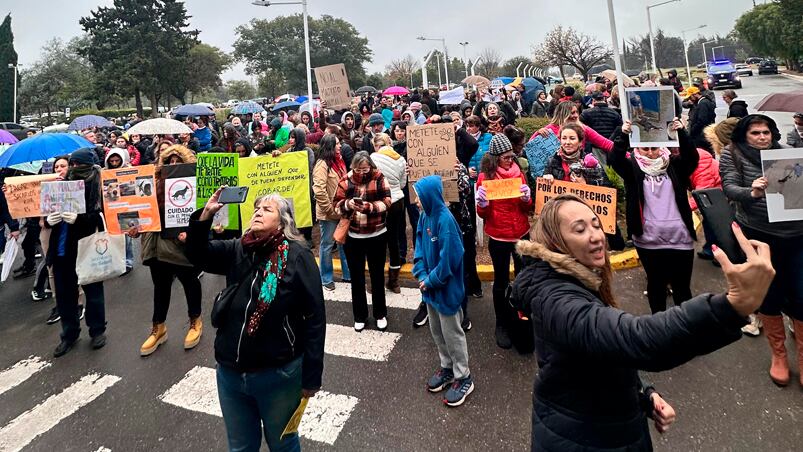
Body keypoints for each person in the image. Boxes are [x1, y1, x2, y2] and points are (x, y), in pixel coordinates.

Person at [514, 193, 775, 452]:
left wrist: (644, 393)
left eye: (596, 224)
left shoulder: (576, 279)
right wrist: (730, 307)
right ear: (555, 243)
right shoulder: (554, 300)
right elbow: (635, 338)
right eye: (580, 230)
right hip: (582, 438)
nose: (596, 236)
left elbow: (604, 351)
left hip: (610, 427)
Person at [186, 190, 325, 452]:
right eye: (257, 208)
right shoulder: (238, 248)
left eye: (268, 209)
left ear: (283, 221)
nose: (259, 212)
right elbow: (197, 254)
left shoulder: (298, 256)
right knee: (240, 446)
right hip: (230, 373)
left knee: (282, 444)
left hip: (277, 374)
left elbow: (315, 317)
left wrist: (311, 376)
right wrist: (205, 216)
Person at [719, 114, 803, 387]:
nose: (762, 137)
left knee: (801, 294)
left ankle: (802, 356)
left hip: (796, 233)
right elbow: (729, 187)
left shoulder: (788, 154)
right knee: (768, 294)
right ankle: (778, 355)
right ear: (745, 135)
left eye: (766, 132)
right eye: (756, 132)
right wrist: (751, 192)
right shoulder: (731, 154)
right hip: (759, 234)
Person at [609, 118, 699, 314]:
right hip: (648, 240)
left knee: (682, 289)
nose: (650, 153)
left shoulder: (675, 166)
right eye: (645, 149)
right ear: (637, 149)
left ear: (662, 147)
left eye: (654, 148)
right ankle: (659, 329)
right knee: (656, 285)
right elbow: (614, 160)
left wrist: (681, 133)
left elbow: (692, 158)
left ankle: (687, 329)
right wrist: (623, 135)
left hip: (680, 238)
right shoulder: (632, 168)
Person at [129, 145, 203, 356]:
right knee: (160, 287)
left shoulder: (193, 183)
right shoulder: (153, 183)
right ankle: (159, 327)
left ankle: (195, 321)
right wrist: (134, 227)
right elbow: (141, 210)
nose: (172, 164)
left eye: (177, 160)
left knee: (189, 282)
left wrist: (194, 233)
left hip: (180, 243)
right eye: (169, 161)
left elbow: (203, 211)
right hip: (156, 243)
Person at [413, 176, 474, 407]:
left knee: (452, 334)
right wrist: (420, 273)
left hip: (445, 290)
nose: (416, 201)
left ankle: (463, 375)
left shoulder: (446, 221)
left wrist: (431, 280)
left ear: (429, 196)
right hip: (428, 288)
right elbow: (419, 246)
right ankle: (447, 367)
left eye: (418, 197)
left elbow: (449, 259)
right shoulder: (423, 217)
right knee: (437, 331)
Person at [46, 148, 108, 357]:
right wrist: (49, 220)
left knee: (93, 293)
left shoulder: (97, 187)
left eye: (77, 165)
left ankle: (97, 330)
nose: (73, 169)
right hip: (62, 249)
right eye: (71, 164)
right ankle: (69, 334)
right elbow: (47, 211)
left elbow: (102, 218)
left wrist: (79, 218)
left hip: (86, 247)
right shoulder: (59, 186)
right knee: (64, 295)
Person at [475, 134, 533, 349]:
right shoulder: (485, 178)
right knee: (500, 282)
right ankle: (501, 324)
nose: (511, 159)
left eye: (512, 156)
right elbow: (483, 214)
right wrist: (481, 203)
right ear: (496, 158)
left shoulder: (520, 173)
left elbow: (527, 208)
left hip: (521, 234)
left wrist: (527, 199)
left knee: (523, 278)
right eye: (507, 157)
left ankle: (523, 316)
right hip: (499, 236)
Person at [333, 151, 392, 332]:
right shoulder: (345, 180)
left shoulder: (380, 177)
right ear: (353, 168)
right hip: (354, 237)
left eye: (366, 169)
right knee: (357, 278)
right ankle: (359, 316)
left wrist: (369, 207)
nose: (363, 173)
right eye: (359, 169)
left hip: (377, 234)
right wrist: (347, 205)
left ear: (371, 166)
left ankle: (380, 314)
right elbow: (336, 206)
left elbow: (388, 201)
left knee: (377, 276)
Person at [313, 134, 351, 291]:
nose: (340, 146)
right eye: (336, 144)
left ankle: (347, 275)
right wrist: (329, 209)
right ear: (329, 146)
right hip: (329, 213)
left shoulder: (339, 161)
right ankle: (326, 278)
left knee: (343, 242)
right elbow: (319, 190)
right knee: (328, 244)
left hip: (341, 209)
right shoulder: (322, 165)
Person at [370, 133, 407, 294]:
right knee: (394, 241)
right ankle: (394, 281)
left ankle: (375, 282)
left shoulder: (373, 158)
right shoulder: (400, 158)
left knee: (377, 241)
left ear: (377, 145)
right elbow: (402, 183)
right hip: (398, 201)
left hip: (380, 202)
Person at [530, 101, 614, 154]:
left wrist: (625, 155)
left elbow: (605, 143)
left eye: (576, 112)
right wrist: (538, 133)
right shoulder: (549, 129)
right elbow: (530, 148)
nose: (576, 115)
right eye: (572, 113)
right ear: (563, 114)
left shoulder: (583, 128)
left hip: (577, 170)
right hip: (555, 173)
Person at [685, 86, 717, 152]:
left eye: (690, 97)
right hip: (705, 134)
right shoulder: (705, 102)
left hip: (702, 136)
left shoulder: (703, 104)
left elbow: (702, 120)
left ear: (695, 94)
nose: (690, 100)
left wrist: (693, 131)